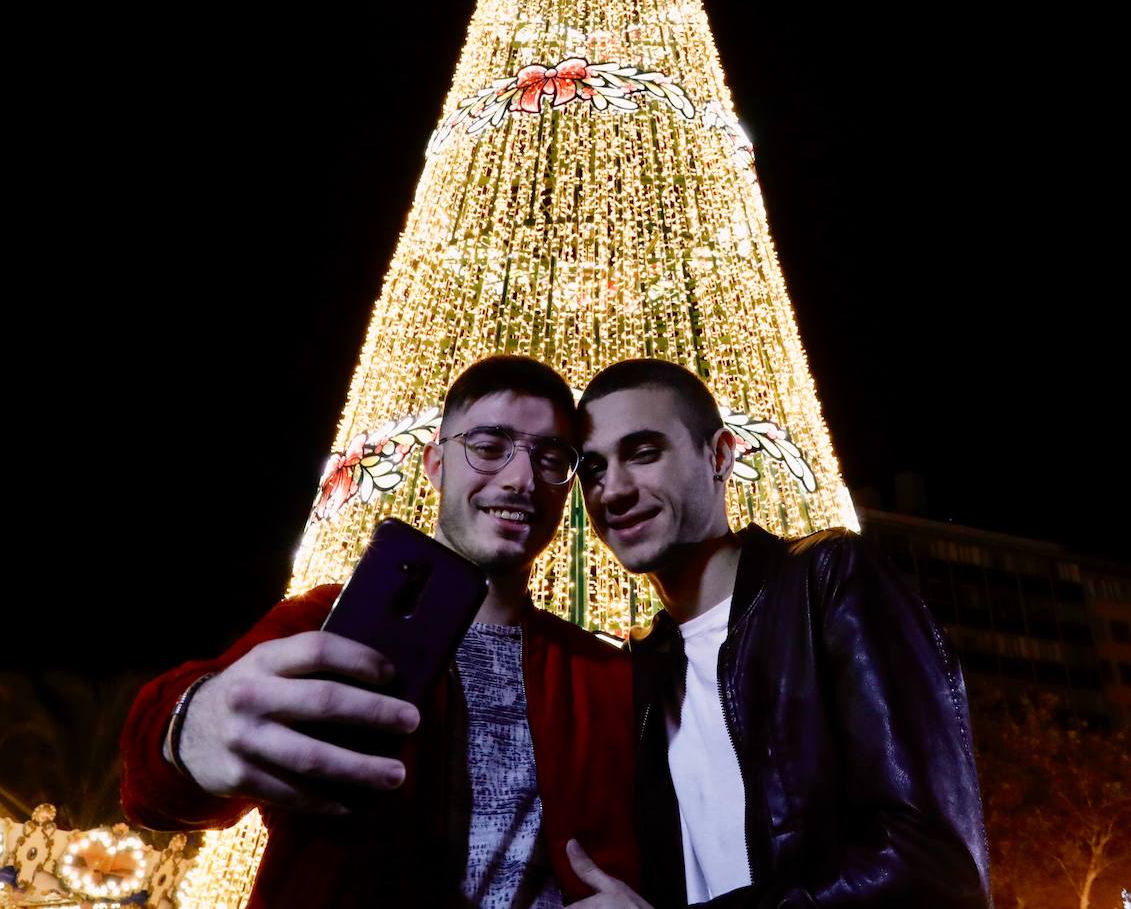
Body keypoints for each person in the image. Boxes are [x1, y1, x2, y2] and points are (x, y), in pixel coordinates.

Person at [120, 356, 640, 908]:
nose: (520, 479)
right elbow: (156, 784)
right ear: (435, 464)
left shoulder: (602, 672)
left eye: (551, 458)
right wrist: (190, 727)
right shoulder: (329, 621)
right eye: (489, 448)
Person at [573, 358, 993, 909]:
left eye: (644, 453)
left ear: (719, 456)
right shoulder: (637, 669)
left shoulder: (829, 580)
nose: (613, 491)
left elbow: (932, 862)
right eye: (593, 470)